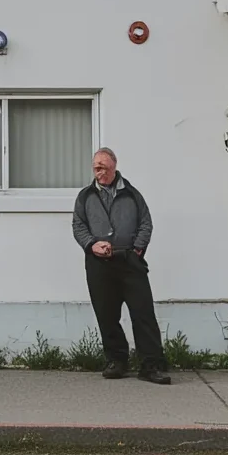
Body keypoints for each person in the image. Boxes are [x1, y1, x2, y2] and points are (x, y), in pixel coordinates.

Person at [72, 147, 170, 384]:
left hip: (130, 262)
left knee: (143, 313)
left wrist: (137, 249)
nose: (99, 173)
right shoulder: (85, 196)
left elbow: (146, 223)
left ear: (114, 167)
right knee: (106, 314)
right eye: (96, 168)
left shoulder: (132, 195)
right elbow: (78, 226)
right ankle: (117, 361)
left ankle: (150, 366)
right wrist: (92, 244)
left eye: (103, 168)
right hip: (99, 264)